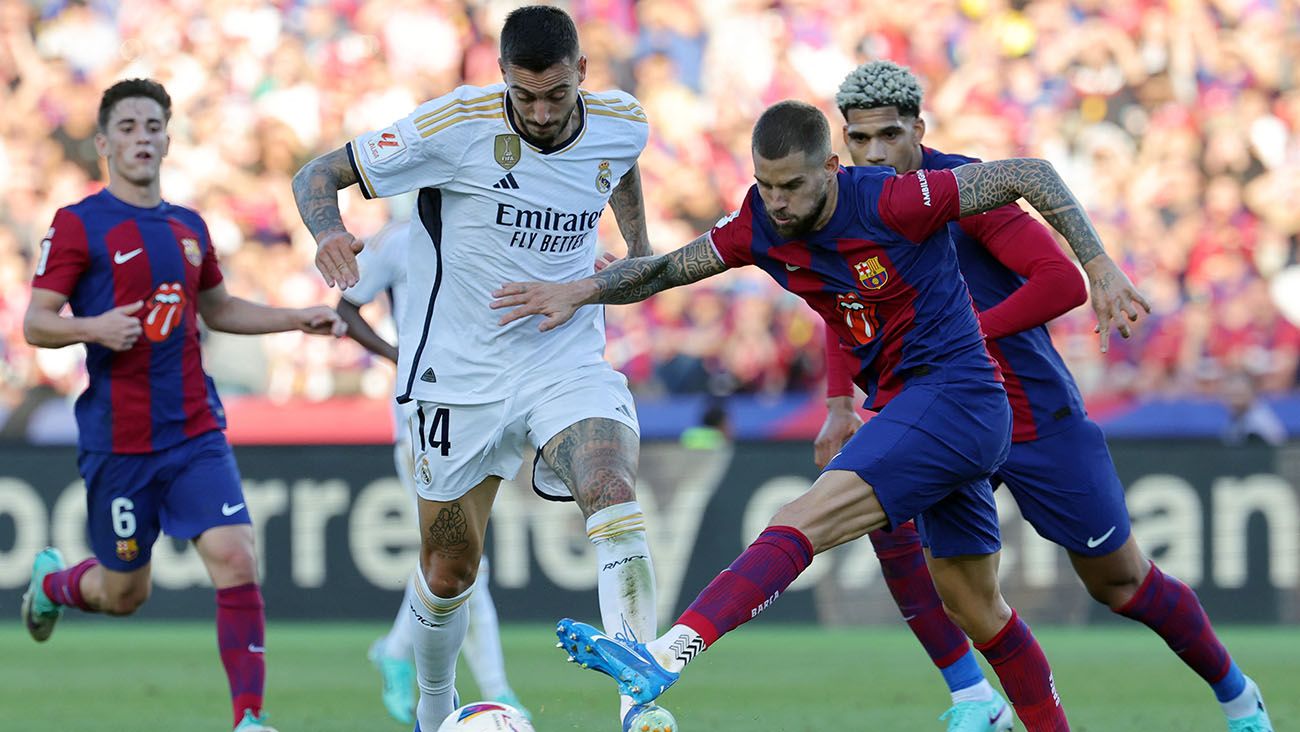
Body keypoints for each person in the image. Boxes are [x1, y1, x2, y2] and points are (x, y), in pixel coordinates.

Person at [494, 99, 1151, 732]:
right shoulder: (758, 222)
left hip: (958, 396)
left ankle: (667, 654)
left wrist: (1098, 267)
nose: (777, 201)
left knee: (800, 518)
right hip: (918, 404)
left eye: (791, 186)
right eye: (765, 184)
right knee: (979, 610)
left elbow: (1028, 175)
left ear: (830, 169)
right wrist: (578, 290)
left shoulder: (895, 199)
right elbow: (669, 268)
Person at [816, 60, 1275, 732]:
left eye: (890, 134)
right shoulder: (847, 202)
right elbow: (842, 305)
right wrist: (837, 405)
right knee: (888, 521)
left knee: (1118, 582)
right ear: (845, 140)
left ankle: (1238, 695)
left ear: (919, 127)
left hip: (1031, 412)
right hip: (941, 411)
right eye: (861, 139)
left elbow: (1058, 282)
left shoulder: (965, 189)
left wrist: (959, 334)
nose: (876, 152)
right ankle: (974, 698)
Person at [292, 7, 672, 731]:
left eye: (555, 96)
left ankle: (639, 706)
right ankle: (435, 715)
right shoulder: (454, 127)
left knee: (611, 487)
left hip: (563, 359)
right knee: (448, 573)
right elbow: (318, 174)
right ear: (501, 78)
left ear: (582, 75)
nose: (538, 112)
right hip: (457, 378)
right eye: (523, 96)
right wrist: (330, 231)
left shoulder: (624, 122)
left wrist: (633, 252)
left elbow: (622, 194)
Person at [20, 78, 347, 732]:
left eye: (152, 125)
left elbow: (219, 309)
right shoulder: (80, 223)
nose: (142, 137)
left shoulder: (188, 226)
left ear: (168, 137)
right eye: (129, 127)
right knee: (124, 594)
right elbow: (36, 323)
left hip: (196, 430)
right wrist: (93, 327)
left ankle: (249, 719)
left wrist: (295, 318)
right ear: (105, 142)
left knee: (235, 556)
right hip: (120, 442)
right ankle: (54, 585)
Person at [335, 220, 528, 724]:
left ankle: (396, 650)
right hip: (422, 418)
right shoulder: (401, 238)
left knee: (454, 562)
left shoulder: (501, 223)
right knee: (464, 562)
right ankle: (500, 693)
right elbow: (346, 307)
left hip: (487, 410)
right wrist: (401, 359)